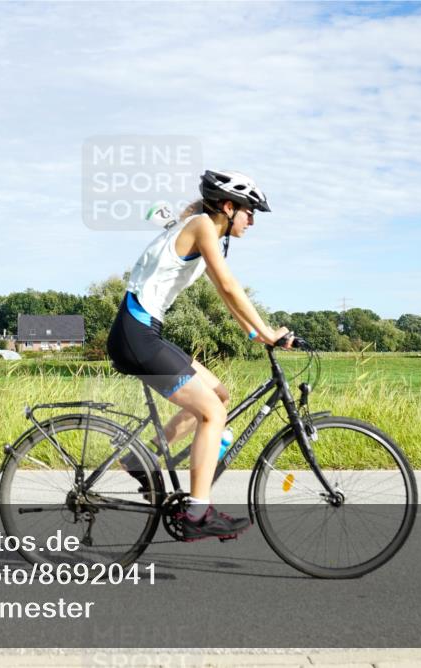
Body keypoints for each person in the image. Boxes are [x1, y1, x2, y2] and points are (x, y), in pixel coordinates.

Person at [106, 170, 295, 540]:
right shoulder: (204, 228)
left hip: (142, 332)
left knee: (219, 395)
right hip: (137, 336)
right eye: (249, 212)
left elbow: (225, 293)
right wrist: (269, 332)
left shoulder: (198, 225)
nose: (252, 221)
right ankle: (197, 512)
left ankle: (139, 459)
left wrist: (254, 333)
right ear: (228, 206)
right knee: (214, 412)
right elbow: (227, 284)